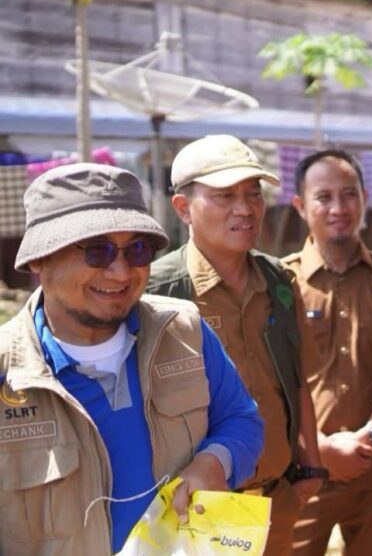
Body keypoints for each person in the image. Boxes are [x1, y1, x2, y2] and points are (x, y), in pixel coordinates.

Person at [0, 163, 263, 554]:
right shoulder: (8, 373)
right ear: (40, 260)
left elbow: (242, 419)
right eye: (97, 250)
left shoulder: (185, 331)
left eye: (136, 249)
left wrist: (216, 461)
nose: (121, 271)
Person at [146, 135, 323, 555]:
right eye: (224, 196)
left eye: (253, 194)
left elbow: (297, 382)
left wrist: (310, 464)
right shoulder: (158, 291)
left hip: (275, 498)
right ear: (183, 208)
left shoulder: (279, 281)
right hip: (193, 508)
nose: (245, 209)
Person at [283, 150, 372, 556]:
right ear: (300, 206)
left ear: (364, 198)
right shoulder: (280, 282)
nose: (338, 208)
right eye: (323, 196)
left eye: (348, 195)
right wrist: (318, 447)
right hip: (303, 465)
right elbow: (271, 380)